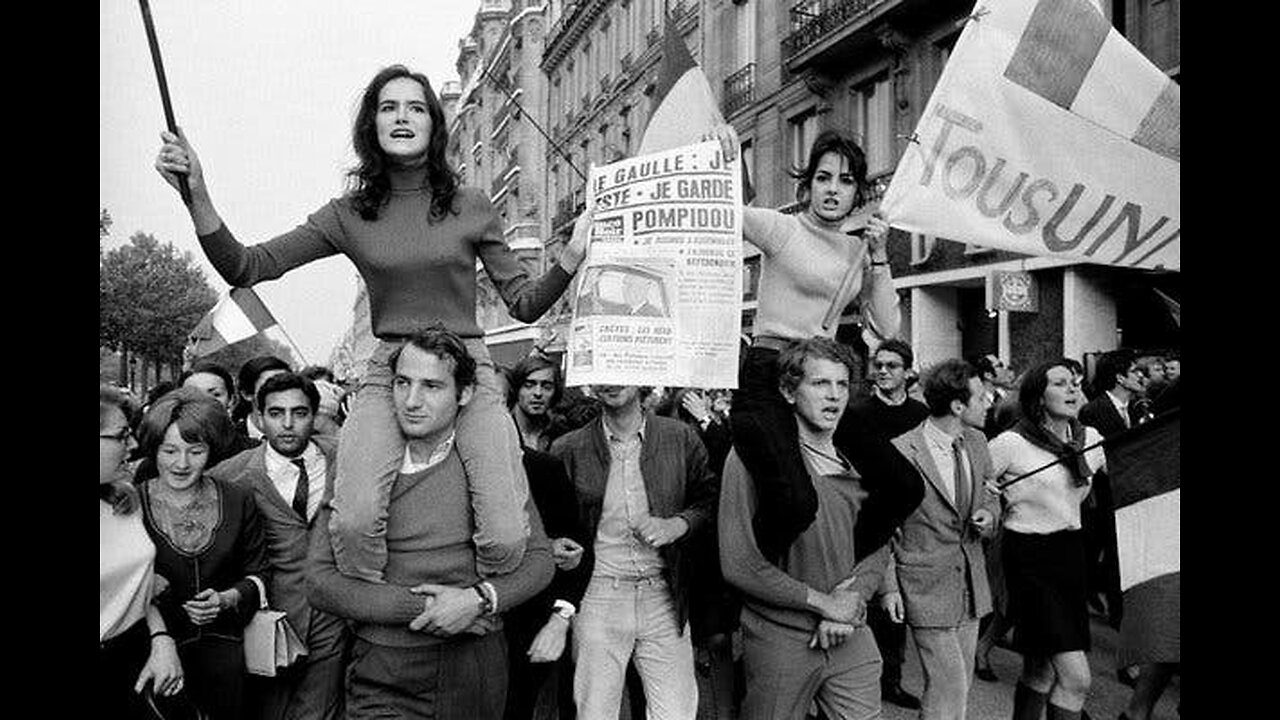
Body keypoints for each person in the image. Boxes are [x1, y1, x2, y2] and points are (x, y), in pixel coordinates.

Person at [155, 63, 591, 588]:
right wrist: (195, 193)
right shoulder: (349, 214)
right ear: (372, 126)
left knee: (504, 533)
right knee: (356, 520)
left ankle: (477, 614)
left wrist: (572, 253)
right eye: (389, 107)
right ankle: (380, 620)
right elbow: (246, 267)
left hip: (467, 371)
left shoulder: (471, 206)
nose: (402, 116)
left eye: (415, 107)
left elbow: (522, 303)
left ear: (434, 124)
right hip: (391, 368)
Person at [306, 327, 555, 719]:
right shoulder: (360, 462)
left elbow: (539, 559)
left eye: (432, 386)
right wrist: (422, 607)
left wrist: (479, 599)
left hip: (474, 665)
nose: (412, 401)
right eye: (402, 383)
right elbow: (320, 581)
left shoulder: (489, 461)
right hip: (382, 666)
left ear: (465, 393)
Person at [715, 126, 920, 580]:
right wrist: (722, 155)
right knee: (794, 500)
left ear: (857, 192)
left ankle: (834, 567)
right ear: (808, 184)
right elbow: (722, 210)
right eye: (824, 177)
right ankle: (755, 581)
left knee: (904, 486)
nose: (833, 189)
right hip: (770, 375)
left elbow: (888, 327)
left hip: (822, 376)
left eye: (846, 181)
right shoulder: (781, 228)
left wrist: (881, 256)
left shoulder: (859, 250)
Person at [719, 337, 892, 720]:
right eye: (820, 384)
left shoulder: (858, 453)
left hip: (850, 630)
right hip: (780, 636)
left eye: (842, 384)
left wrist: (851, 601)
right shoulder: (753, 457)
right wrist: (823, 603)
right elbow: (739, 563)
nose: (834, 396)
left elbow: (880, 538)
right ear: (788, 390)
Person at [549, 382, 719, 719]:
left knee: (676, 713)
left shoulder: (679, 437)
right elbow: (548, 520)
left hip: (663, 595)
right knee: (595, 712)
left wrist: (677, 525)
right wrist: (554, 545)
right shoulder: (569, 447)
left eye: (619, 370)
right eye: (603, 371)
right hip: (598, 593)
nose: (610, 381)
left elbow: (711, 499)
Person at [207, 372, 348, 720]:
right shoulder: (230, 476)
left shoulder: (345, 459)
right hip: (269, 618)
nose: (287, 424)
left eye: (299, 413)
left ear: (314, 416)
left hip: (334, 613)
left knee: (320, 710)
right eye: (276, 413)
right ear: (258, 417)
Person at [136, 387, 271, 719]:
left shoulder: (239, 499)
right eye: (169, 451)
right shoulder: (129, 504)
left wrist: (229, 598)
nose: (181, 464)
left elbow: (261, 574)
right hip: (150, 657)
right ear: (153, 449)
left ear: (211, 451)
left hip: (226, 660)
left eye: (195, 451)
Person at [880, 359, 1000, 720]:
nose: (989, 403)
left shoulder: (978, 441)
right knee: (949, 682)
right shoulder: (901, 451)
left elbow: (991, 492)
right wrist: (888, 587)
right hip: (923, 583)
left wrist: (990, 514)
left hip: (971, 582)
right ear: (958, 406)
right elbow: (882, 527)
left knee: (956, 688)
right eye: (981, 396)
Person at [987, 360, 1106, 720]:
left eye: (1074, 382)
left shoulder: (1092, 440)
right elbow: (972, 482)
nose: (1072, 389)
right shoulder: (1012, 442)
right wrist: (986, 494)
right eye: (1060, 383)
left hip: (1071, 556)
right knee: (1076, 680)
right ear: (1039, 396)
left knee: (1039, 670)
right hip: (1029, 559)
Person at [842, 337, 929, 710]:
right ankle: (866, 676)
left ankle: (892, 677)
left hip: (915, 513)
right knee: (874, 593)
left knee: (903, 600)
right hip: (873, 511)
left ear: (908, 372)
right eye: (878, 364)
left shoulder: (920, 413)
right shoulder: (858, 412)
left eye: (892, 365)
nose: (882, 371)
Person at [101, 385, 187, 718]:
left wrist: (161, 639)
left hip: (137, 658)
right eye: (122, 436)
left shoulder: (122, 500)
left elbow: (141, 586)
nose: (134, 445)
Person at [1078, 350, 1143, 632]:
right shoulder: (1094, 411)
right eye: (1135, 371)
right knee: (1093, 554)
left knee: (1119, 556)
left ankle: (1120, 615)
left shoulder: (1139, 408)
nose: (1141, 376)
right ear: (1120, 378)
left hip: (1128, 498)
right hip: (1100, 499)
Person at [508, 353, 564, 452]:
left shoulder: (560, 433)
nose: (538, 393)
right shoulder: (500, 431)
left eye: (547, 387)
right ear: (517, 389)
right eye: (529, 385)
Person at [235, 355, 292, 441]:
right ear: (247, 394)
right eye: (270, 387)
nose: (282, 393)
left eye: (287, 386)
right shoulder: (228, 440)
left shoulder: (307, 435)